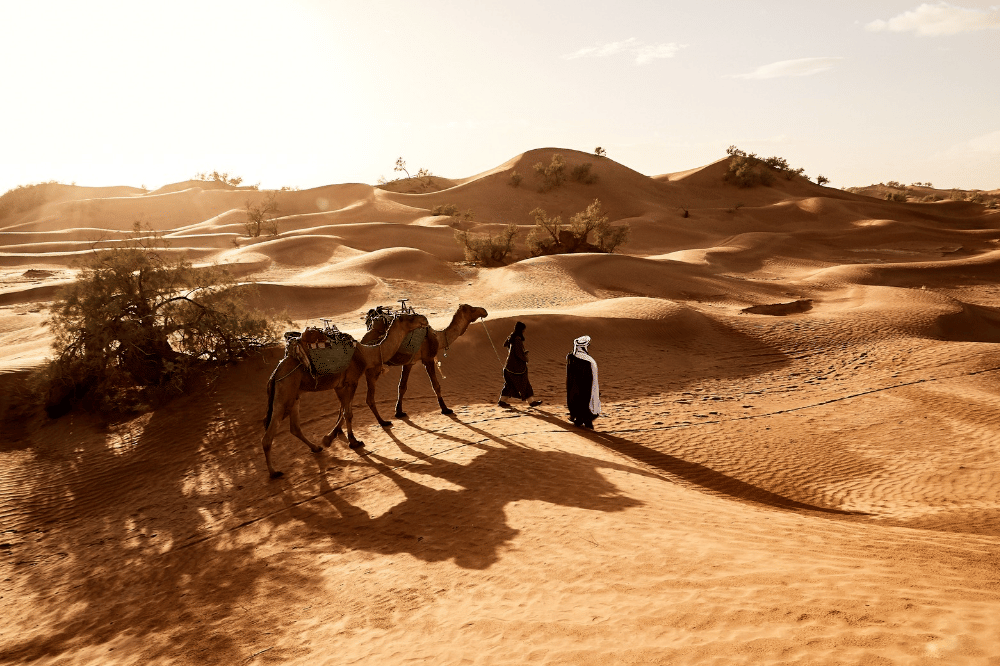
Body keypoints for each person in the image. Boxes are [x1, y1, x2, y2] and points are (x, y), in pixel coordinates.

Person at [498, 321, 543, 409]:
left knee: (509, 384)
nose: (524, 332)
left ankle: (502, 401)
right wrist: (525, 357)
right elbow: (518, 354)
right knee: (525, 383)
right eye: (523, 330)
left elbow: (505, 344)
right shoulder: (517, 339)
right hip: (516, 368)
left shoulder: (512, 337)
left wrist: (511, 336)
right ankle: (531, 401)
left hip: (509, 366)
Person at [566, 335, 600, 428]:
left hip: (574, 385)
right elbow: (589, 375)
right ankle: (584, 421)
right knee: (585, 402)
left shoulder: (571, 356)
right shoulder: (588, 360)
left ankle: (579, 420)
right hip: (584, 386)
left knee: (577, 401)